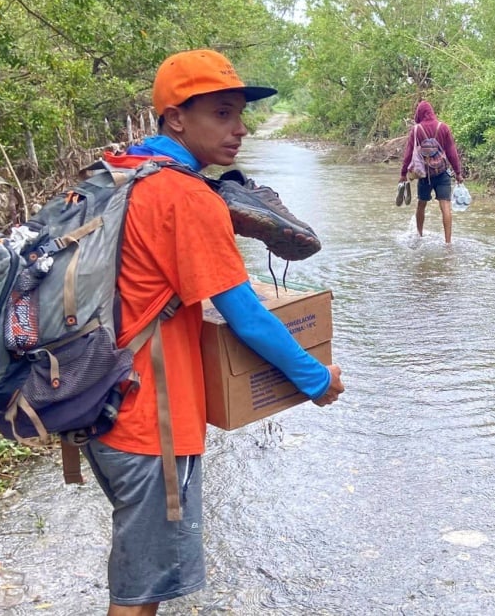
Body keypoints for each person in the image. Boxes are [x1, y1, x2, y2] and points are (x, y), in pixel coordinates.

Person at [83, 49, 345, 616]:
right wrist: (315, 379)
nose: (240, 130)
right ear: (176, 118)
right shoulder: (185, 195)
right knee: (140, 591)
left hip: (95, 403)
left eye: (240, 115)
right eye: (222, 113)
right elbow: (245, 316)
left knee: (138, 567)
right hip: (151, 422)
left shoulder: (118, 172)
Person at [398, 100, 464, 244]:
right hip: (442, 173)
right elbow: (452, 152)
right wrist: (458, 172)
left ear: (420, 113)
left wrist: (403, 174)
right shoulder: (443, 127)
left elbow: (408, 154)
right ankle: (448, 242)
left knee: (421, 204)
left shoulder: (416, 130)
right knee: (445, 206)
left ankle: (419, 235)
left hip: (424, 175)